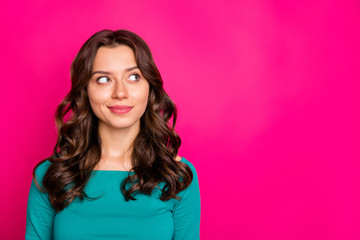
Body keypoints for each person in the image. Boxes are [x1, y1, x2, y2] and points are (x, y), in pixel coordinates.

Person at [25, 29, 201, 240]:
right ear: (86, 90)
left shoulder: (177, 175)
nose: (120, 92)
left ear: (150, 87)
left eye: (134, 77)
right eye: (103, 79)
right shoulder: (51, 175)